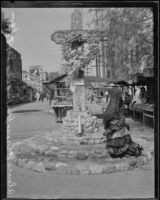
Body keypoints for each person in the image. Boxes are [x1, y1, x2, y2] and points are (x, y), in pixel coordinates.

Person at [103, 87, 143, 158]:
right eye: (119, 95)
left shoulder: (113, 104)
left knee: (122, 142)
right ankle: (123, 151)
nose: (120, 96)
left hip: (119, 130)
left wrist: (117, 122)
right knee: (123, 142)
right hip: (118, 130)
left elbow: (108, 117)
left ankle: (121, 151)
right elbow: (110, 117)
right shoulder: (114, 105)